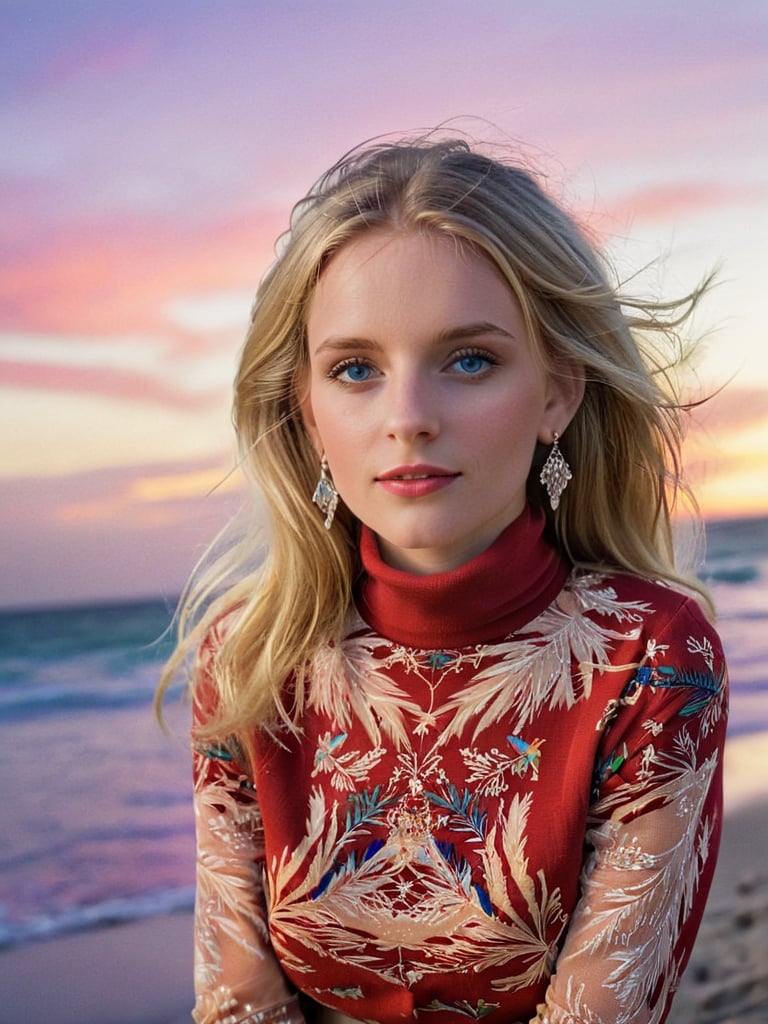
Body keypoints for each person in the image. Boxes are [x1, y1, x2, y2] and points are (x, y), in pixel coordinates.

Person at [157, 134, 729, 1024]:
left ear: (558, 392)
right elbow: (237, 999)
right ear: (308, 416)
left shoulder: (651, 657)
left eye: (469, 360)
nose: (409, 419)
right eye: (356, 370)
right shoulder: (247, 657)